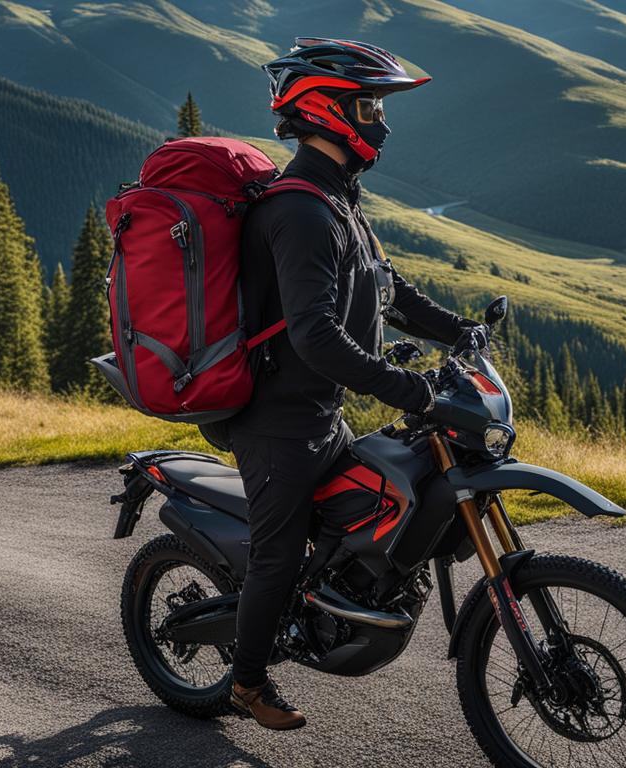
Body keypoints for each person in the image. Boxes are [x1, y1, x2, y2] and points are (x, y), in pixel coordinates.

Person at [224, 38, 485, 730]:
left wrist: (457, 331)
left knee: (377, 510)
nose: (383, 121)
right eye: (369, 105)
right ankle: (248, 683)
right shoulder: (301, 211)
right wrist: (413, 391)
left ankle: (328, 609)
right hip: (279, 424)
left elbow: (386, 288)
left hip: (320, 413)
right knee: (276, 557)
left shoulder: (337, 198)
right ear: (326, 111)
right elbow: (314, 337)